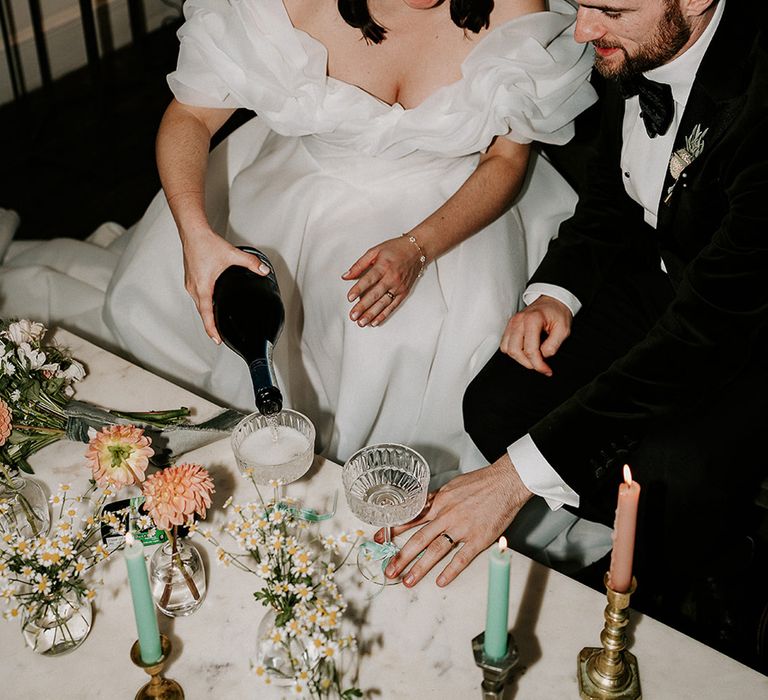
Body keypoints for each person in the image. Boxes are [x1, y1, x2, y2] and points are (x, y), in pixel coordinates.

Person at [9, 0, 594, 482]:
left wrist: (418, 247)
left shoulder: (518, 5)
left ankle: (377, 491)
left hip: (455, 211)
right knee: (269, 317)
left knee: (410, 338)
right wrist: (196, 238)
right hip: (303, 188)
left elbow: (508, 158)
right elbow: (188, 117)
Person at [384, 0, 768, 653]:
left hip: (746, 328)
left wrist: (513, 481)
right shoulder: (639, 42)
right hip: (667, 269)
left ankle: (692, 570)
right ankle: (658, 530)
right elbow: (611, 198)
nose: (583, 30)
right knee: (496, 403)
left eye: (610, 9)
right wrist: (554, 296)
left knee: (670, 472)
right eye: (584, 0)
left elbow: (705, 332)